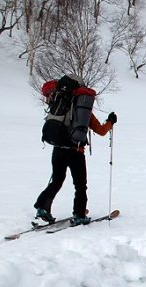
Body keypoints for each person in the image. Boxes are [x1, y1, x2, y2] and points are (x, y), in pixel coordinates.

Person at [34, 82, 117, 226]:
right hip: (76, 151)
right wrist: (110, 121)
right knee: (80, 185)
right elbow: (102, 131)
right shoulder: (83, 112)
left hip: (58, 149)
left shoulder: (59, 106)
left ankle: (42, 207)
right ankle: (79, 214)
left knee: (57, 180)